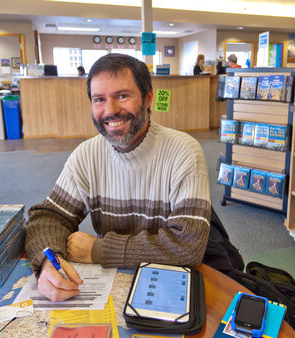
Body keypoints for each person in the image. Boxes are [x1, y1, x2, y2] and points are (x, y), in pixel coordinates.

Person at [24, 53, 211, 302]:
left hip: (169, 287)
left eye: (122, 96)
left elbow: (188, 246)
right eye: (99, 99)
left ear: (148, 98)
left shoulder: (183, 152)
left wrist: (99, 250)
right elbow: (48, 217)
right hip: (113, 284)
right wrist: (49, 262)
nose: (110, 110)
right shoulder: (87, 155)